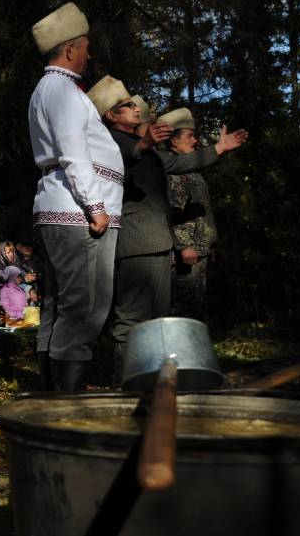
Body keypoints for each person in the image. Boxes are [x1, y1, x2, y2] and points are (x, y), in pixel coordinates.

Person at [89, 79, 247, 379]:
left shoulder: (145, 149)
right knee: (132, 323)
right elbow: (115, 162)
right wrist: (142, 144)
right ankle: (127, 389)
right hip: (136, 242)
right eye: (128, 105)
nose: (137, 108)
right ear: (110, 115)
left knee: (155, 323)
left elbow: (178, 164)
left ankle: (148, 384)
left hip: (157, 242)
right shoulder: (107, 141)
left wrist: (219, 148)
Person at [28, 3, 124, 392]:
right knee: (84, 309)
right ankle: (66, 402)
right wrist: (96, 207)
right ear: (69, 50)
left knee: (58, 305)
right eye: (84, 48)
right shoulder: (62, 90)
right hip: (78, 214)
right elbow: (73, 151)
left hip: (63, 209)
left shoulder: (50, 89)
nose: (88, 56)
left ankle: (53, 395)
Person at [162, 109, 219, 323]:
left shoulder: (191, 170)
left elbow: (201, 211)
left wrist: (211, 243)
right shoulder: (175, 171)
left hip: (199, 250)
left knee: (196, 309)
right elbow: (172, 211)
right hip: (185, 255)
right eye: (189, 136)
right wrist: (184, 245)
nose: (195, 141)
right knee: (183, 313)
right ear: (174, 141)